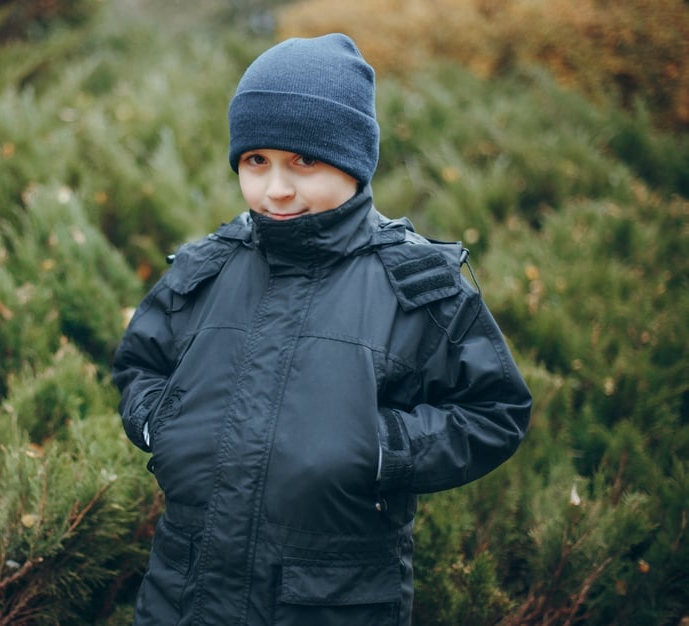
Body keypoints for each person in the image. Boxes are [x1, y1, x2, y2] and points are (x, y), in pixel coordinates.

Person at [112, 33, 532, 626]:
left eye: (303, 161)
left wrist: (380, 447)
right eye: (256, 161)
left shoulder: (416, 284)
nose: (277, 188)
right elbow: (139, 365)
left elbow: (495, 410)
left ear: (353, 160)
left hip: (335, 600)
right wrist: (164, 424)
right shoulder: (207, 267)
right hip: (184, 591)